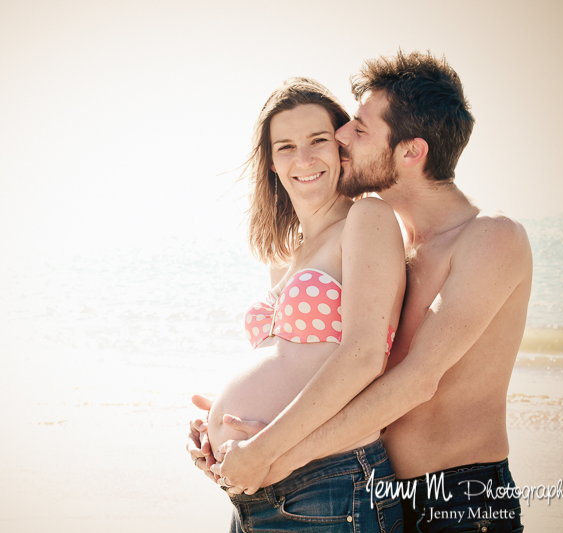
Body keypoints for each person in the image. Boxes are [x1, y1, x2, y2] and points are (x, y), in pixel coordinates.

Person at [190, 51, 531, 533]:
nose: (343, 136)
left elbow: (415, 381)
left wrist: (277, 456)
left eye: (361, 130)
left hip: (459, 499)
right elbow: (323, 361)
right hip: (375, 483)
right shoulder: (387, 243)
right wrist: (231, 427)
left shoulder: (491, 239)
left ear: (411, 152)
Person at [192, 76, 407, 532]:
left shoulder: (366, 218)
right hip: (259, 490)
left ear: (342, 147)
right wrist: (220, 432)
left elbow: (365, 355)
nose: (303, 159)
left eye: (318, 141)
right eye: (286, 146)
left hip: (331, 482)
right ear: (271, 162)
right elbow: (293, 365)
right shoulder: (286, 255)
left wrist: (263, 447)